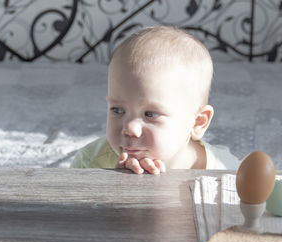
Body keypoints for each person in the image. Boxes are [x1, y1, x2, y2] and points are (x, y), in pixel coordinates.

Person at [71, 26, 239, 174]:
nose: (129, 128)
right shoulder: (90, 165)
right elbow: (67, 208)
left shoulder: (225, 172)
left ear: (197, 123)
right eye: (117, 110)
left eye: (150, 114)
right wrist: (116, 189)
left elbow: (256, 207)